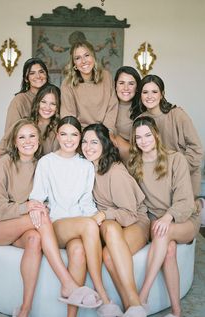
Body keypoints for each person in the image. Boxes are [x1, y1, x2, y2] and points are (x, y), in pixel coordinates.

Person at [0, 118, 100, 317]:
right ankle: (67, 283)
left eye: (32, 136)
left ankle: (24, 309)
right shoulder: (6, 164)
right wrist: (26, 207)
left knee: (35, 239)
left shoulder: (39, 163)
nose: (27, 141)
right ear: (15, 141)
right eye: (22, 137)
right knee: (42, 216)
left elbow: (43, 196)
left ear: (39, 140)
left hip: (22, 225)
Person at [29, 116, 122, 317]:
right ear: (57, 135)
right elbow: (37, 195)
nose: (68, 139)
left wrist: (99, 220)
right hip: (57, 226)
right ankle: (103, 295)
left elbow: (86, 202)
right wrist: (36, 208)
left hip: (78, 227)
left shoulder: (85, 165)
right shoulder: (47, 162)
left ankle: (71, 315)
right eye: (64, 134)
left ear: (80, 137)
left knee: (79, 252)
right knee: (89, 225)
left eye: (74, 134)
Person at [127, 116, 201, 317]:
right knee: (168, 250)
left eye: (148, 135)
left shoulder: (175, 159)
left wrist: (168, 217)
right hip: (155, 221)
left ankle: (142, 298)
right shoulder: (134, 165)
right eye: (138, 137)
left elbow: (186, 200)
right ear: (134, 141)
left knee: (162, 234)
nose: (144, 141)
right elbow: (138, 202)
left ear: (156, 135)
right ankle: (177, 312)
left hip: (182, 219)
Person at [81, 123, 149, 317]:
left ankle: (135, 303)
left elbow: (129, 214)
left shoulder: (115, 172)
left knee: (110, 231)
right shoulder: (86, 168)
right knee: (107, 254)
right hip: (112, 222)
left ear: (104, 144)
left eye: (94, 142)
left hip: (135, 220)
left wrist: (103, 214)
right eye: (85, 141)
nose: (88, 146)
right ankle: (131, 308)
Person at [138, 74, 203, 197]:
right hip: (156, 179)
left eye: (154, 92)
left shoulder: (177, 115)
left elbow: (197, 149)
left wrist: (176, 172)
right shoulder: (140, 120)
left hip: (184, 176)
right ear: (140, 95)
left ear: (162, 94)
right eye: (145, 92)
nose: (149, 96)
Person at [60, 40, 118, 140]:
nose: (83, 61)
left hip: (105, 132)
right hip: (81, 134)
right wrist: (85, 137)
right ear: (74, 63)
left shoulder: (106, 76)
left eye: (87, 55)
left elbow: (112, 107)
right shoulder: (67, 84)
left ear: (93, 57)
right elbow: (69, 117)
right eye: (78, 58)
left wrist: (107, 132)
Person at [0, 83, 60, 160]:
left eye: (53, 104)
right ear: (37, 102)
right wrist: (19, 168)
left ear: (57, 107)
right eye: (43, 102)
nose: (47, 107)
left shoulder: (60, 130)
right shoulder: (22, 125)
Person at [4, 57, 49, 132]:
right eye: (32, 73)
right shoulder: (19, 100)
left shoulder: (55, 97)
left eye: (41, 72)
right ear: (26, 78)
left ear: (46, 75)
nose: (38, 76)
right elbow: (11, 131)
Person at [114, 66, 141, 163]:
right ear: (115, 85)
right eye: (121, 83)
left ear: (137, 88)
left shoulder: (142, 110)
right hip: (109, 158)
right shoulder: (108, 106)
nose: (126, 88)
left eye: (131, 84)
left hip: (134, 160)